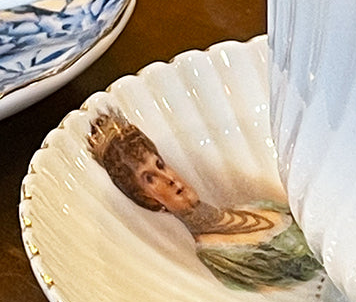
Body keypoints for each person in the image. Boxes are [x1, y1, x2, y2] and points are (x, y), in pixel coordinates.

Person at [87, 109, 319, 290]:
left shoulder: (254, 207)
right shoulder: (219, 254)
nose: (168, 178)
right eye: (150, 178)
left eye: (160, 165)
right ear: (146, 199)